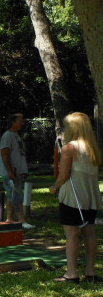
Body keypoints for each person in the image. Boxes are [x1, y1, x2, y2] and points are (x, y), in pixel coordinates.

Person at [48, 112, 103, 283]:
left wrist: (54, 188)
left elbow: (63, 176)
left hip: (73, 198)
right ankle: (90, 271)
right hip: (90, 197)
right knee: (89, 233)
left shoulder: (69, 148)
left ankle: (71, 273)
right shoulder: (93, 148)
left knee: (71, 235)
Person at [0, 113, 35, 229]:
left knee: (11, 195)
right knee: (17, 196)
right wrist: (9, 171)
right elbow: (4, 154)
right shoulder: (7, 136)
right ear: (12, 122)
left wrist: (23, 170)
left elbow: (19, 155)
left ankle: (9, 219)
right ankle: (22, 221)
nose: (22, 123)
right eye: (20, 120)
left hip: (17, 172)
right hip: (11, 173)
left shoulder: (16, 136)